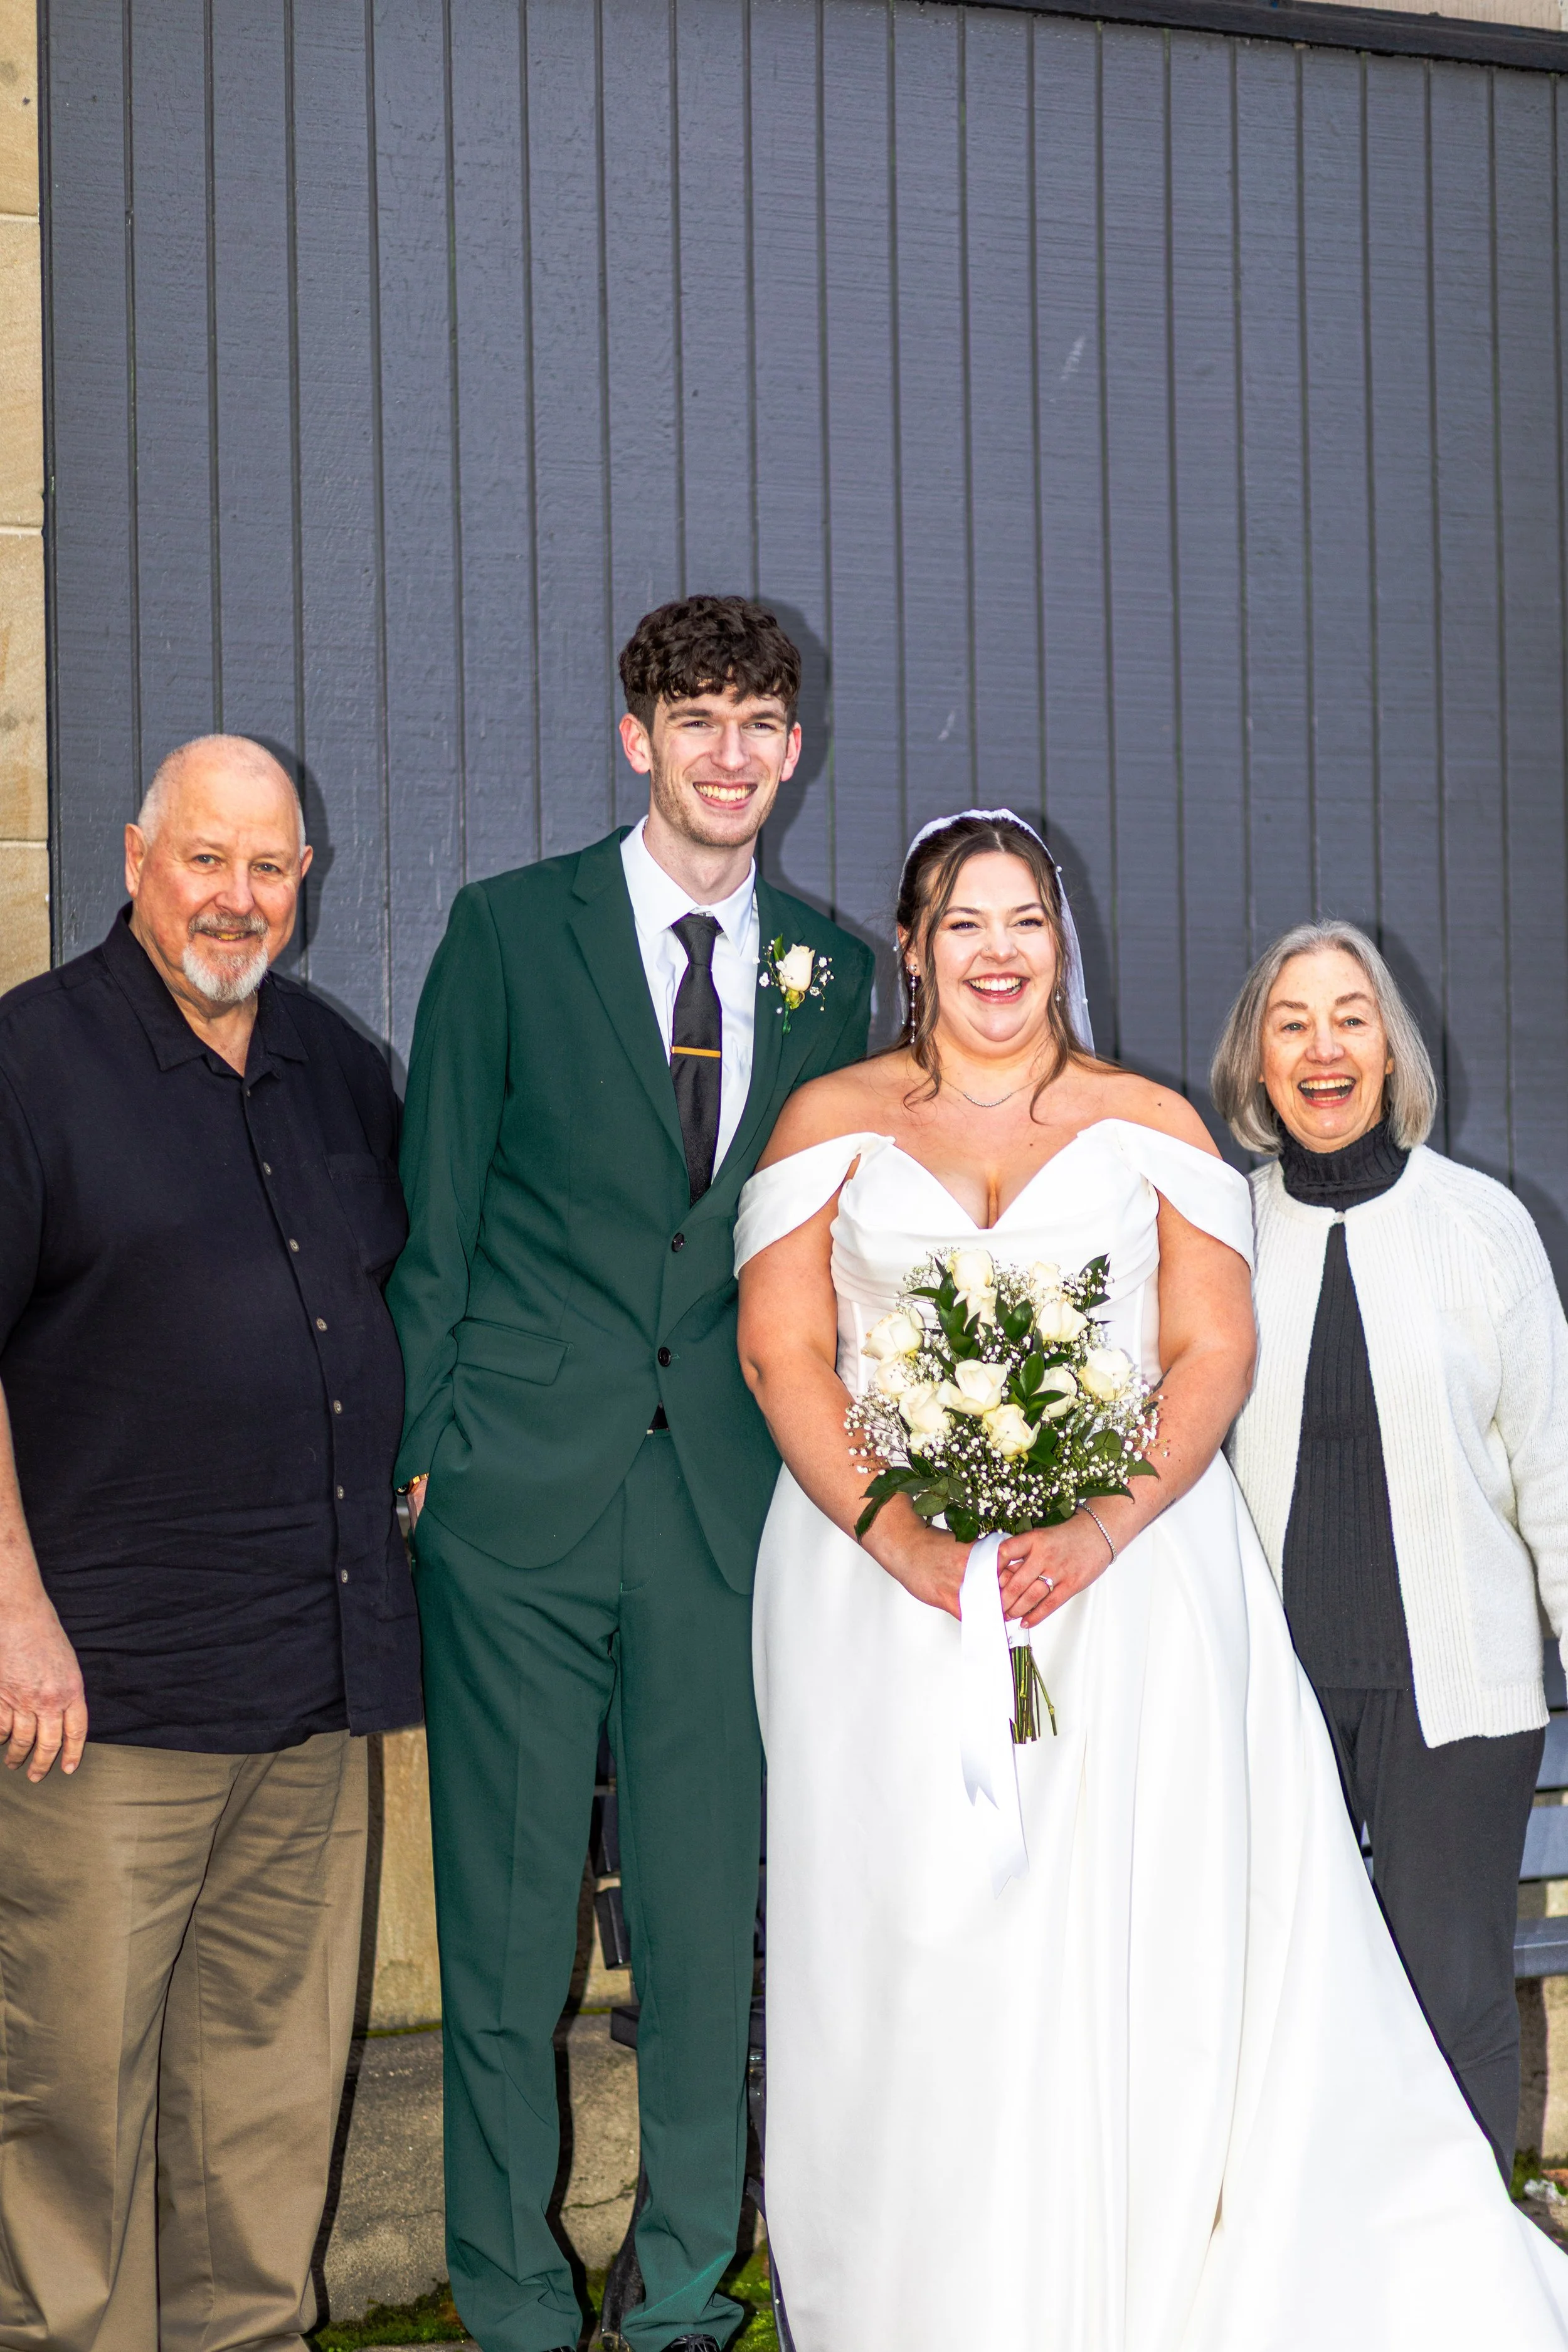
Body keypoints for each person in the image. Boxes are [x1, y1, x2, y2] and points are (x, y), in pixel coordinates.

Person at [733, 810, 1568, 2352]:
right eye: (963, 922)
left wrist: (1102, 1524)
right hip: (879, 1601)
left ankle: (1136, 2272)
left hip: (1121, 1595)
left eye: (1026, 920)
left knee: (1131, 1936)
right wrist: (902, 1536)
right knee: (915, 1944)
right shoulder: (825, 1121)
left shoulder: (1153, 1124)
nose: (998, 952)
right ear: (910, 948)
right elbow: (782, 1350)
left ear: (1065, 942)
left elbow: (1207, 1349)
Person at [388, 596, 874, 2352]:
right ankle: (514, 2301)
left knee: (700, 1934)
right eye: (696, 719)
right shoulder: (508, 932)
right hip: (515, 1508)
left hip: (728, 1520)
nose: (728, 751)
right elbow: (433, 1209)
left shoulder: (835, 970)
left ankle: (679, 2293)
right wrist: (425, 1459)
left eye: (759, 720)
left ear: (792, 749)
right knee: (505, 1947)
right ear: (634, 738)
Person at [0, 736, 419, 2352]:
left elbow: (399, 1301)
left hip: (305, 1693)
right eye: (206, 860)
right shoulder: (32, 1064)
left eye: (269, 868)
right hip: (96, 1708)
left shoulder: (332, 1063)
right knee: (69, 2125)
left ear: (303, 883)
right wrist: (14, 1613)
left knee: (265, 2113)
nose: (236, 899)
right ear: (134, 857)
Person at [1213, 919, 1568, 2176]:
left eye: (1348, 1017)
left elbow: (1552, 1468)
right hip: (1272, 1692)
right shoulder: (1215, 1236)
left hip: (1456, 1691)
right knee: (1281, 1997)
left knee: (1449, 1992)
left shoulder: (1484, 1227)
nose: (1322, 1047)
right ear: (1256, 1063)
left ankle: (1462, 2271)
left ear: (1388, 1050)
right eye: (1291, 1022)